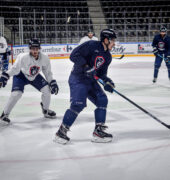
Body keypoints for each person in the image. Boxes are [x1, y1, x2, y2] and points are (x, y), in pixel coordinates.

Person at [54, 29, 116, 144]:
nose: (114, 43)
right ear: (106, 40)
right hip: (78, 78)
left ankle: (98, 131)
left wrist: (108, 82)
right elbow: (73, 55)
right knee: (78, 104)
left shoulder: (107, 56)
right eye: (113, 40)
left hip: (91, 81)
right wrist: (85, 66)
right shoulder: (91, 45)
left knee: (102, 99)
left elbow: (101, 74)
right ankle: (61, 132)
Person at [0, 38, 59, 124]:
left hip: (35, 76)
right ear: (29, 48)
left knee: (47, 90)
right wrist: (6, 75)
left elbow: (48, 73)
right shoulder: (23, 57)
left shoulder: (45, 58)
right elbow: (15, 69)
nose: (35, 51)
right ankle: (4, 115)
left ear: (39, 48)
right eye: (32, 48)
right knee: (16, 94)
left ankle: (45, 110)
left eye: (37, 48)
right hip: (21, 76)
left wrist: (52, 82)